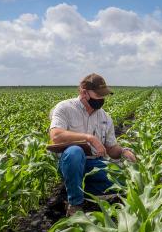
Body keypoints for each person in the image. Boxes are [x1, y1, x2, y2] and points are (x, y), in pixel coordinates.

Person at [49, 73, 136, 216]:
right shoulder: (65, 108)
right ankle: (75, 204)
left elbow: (111, 148)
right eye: (98, 95)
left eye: (104, 95)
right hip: (70, 163)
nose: (102, 99)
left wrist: (123, 152)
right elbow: (56, 136)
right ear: (84, 93)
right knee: (75, 152)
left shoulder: (105, 117)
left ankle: (83, 187)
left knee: (125, 182)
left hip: (95, 164)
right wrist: (89, 138)